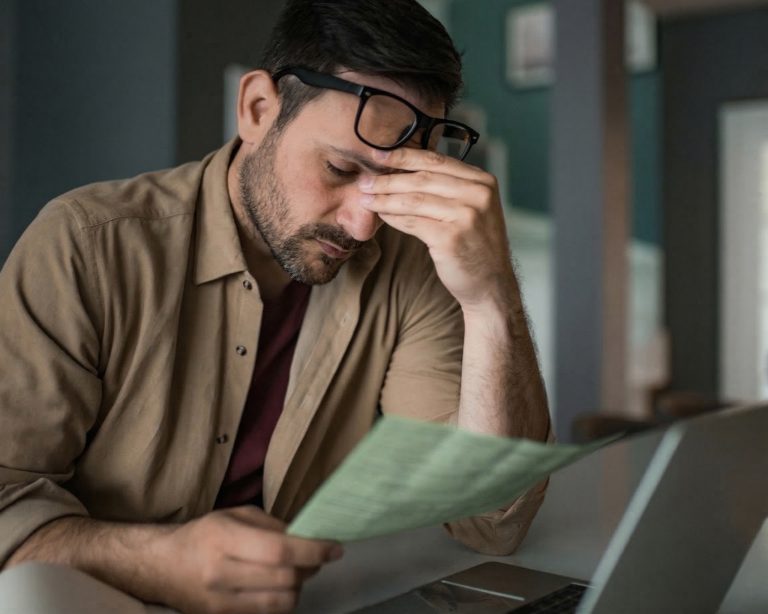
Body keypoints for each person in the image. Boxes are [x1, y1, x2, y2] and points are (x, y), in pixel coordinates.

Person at [0, 0, 551, 612]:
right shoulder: (85, 246)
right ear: (258, 109)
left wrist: (491, 295)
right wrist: (161, 563)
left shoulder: (408, 266)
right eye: (341, 167)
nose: (363, 226)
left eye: (394, 186)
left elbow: (488, 519)